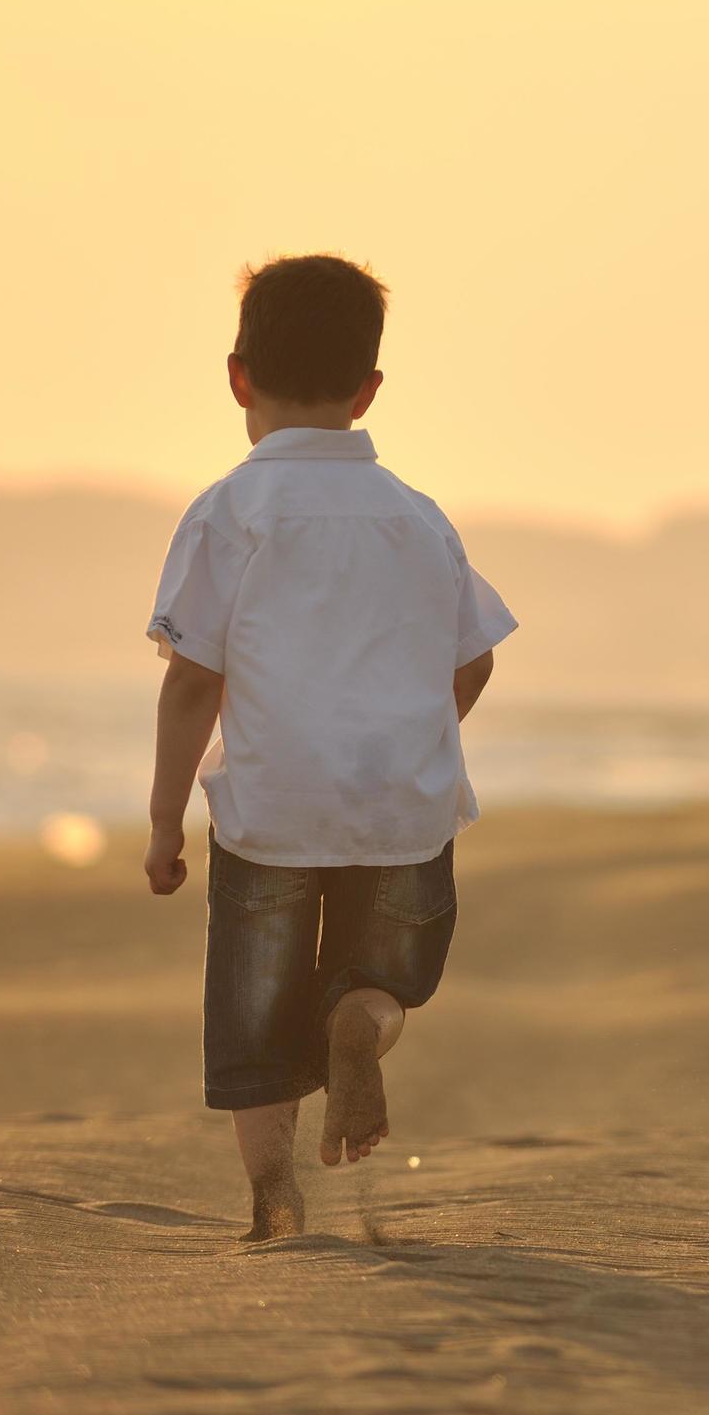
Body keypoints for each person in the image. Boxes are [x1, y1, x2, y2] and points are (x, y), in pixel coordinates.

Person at [142, 254, 516, 1240]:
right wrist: (414, 735)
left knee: (256, 1021)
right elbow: (474, 663)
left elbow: (192, 680)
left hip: (272, 811)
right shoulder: (415, 517)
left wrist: (161, 821)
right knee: (386, 977)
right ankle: (359, 1027)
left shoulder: (231, 511)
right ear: (369, 389)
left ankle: (275, 1197)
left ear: (237, 378)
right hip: (402, 809)